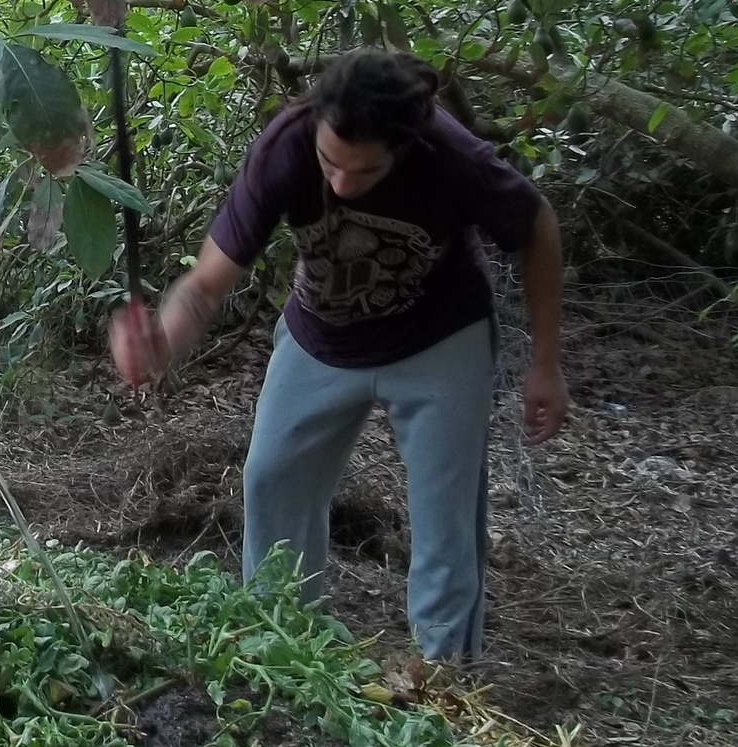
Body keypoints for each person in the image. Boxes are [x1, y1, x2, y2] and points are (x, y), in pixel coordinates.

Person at [109, 49, 569, 660]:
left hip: (439, 337)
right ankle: (284, 650)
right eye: (330, 163)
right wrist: (161, 341)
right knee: (271, 480)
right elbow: (206, 284)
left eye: (365, 172)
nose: (342, 185)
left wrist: (546, 363)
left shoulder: (451, 157)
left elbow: (538, 227)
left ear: (404, 148)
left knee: (444, 516)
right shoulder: (286, 146)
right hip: (321, 336)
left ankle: (447, 681)